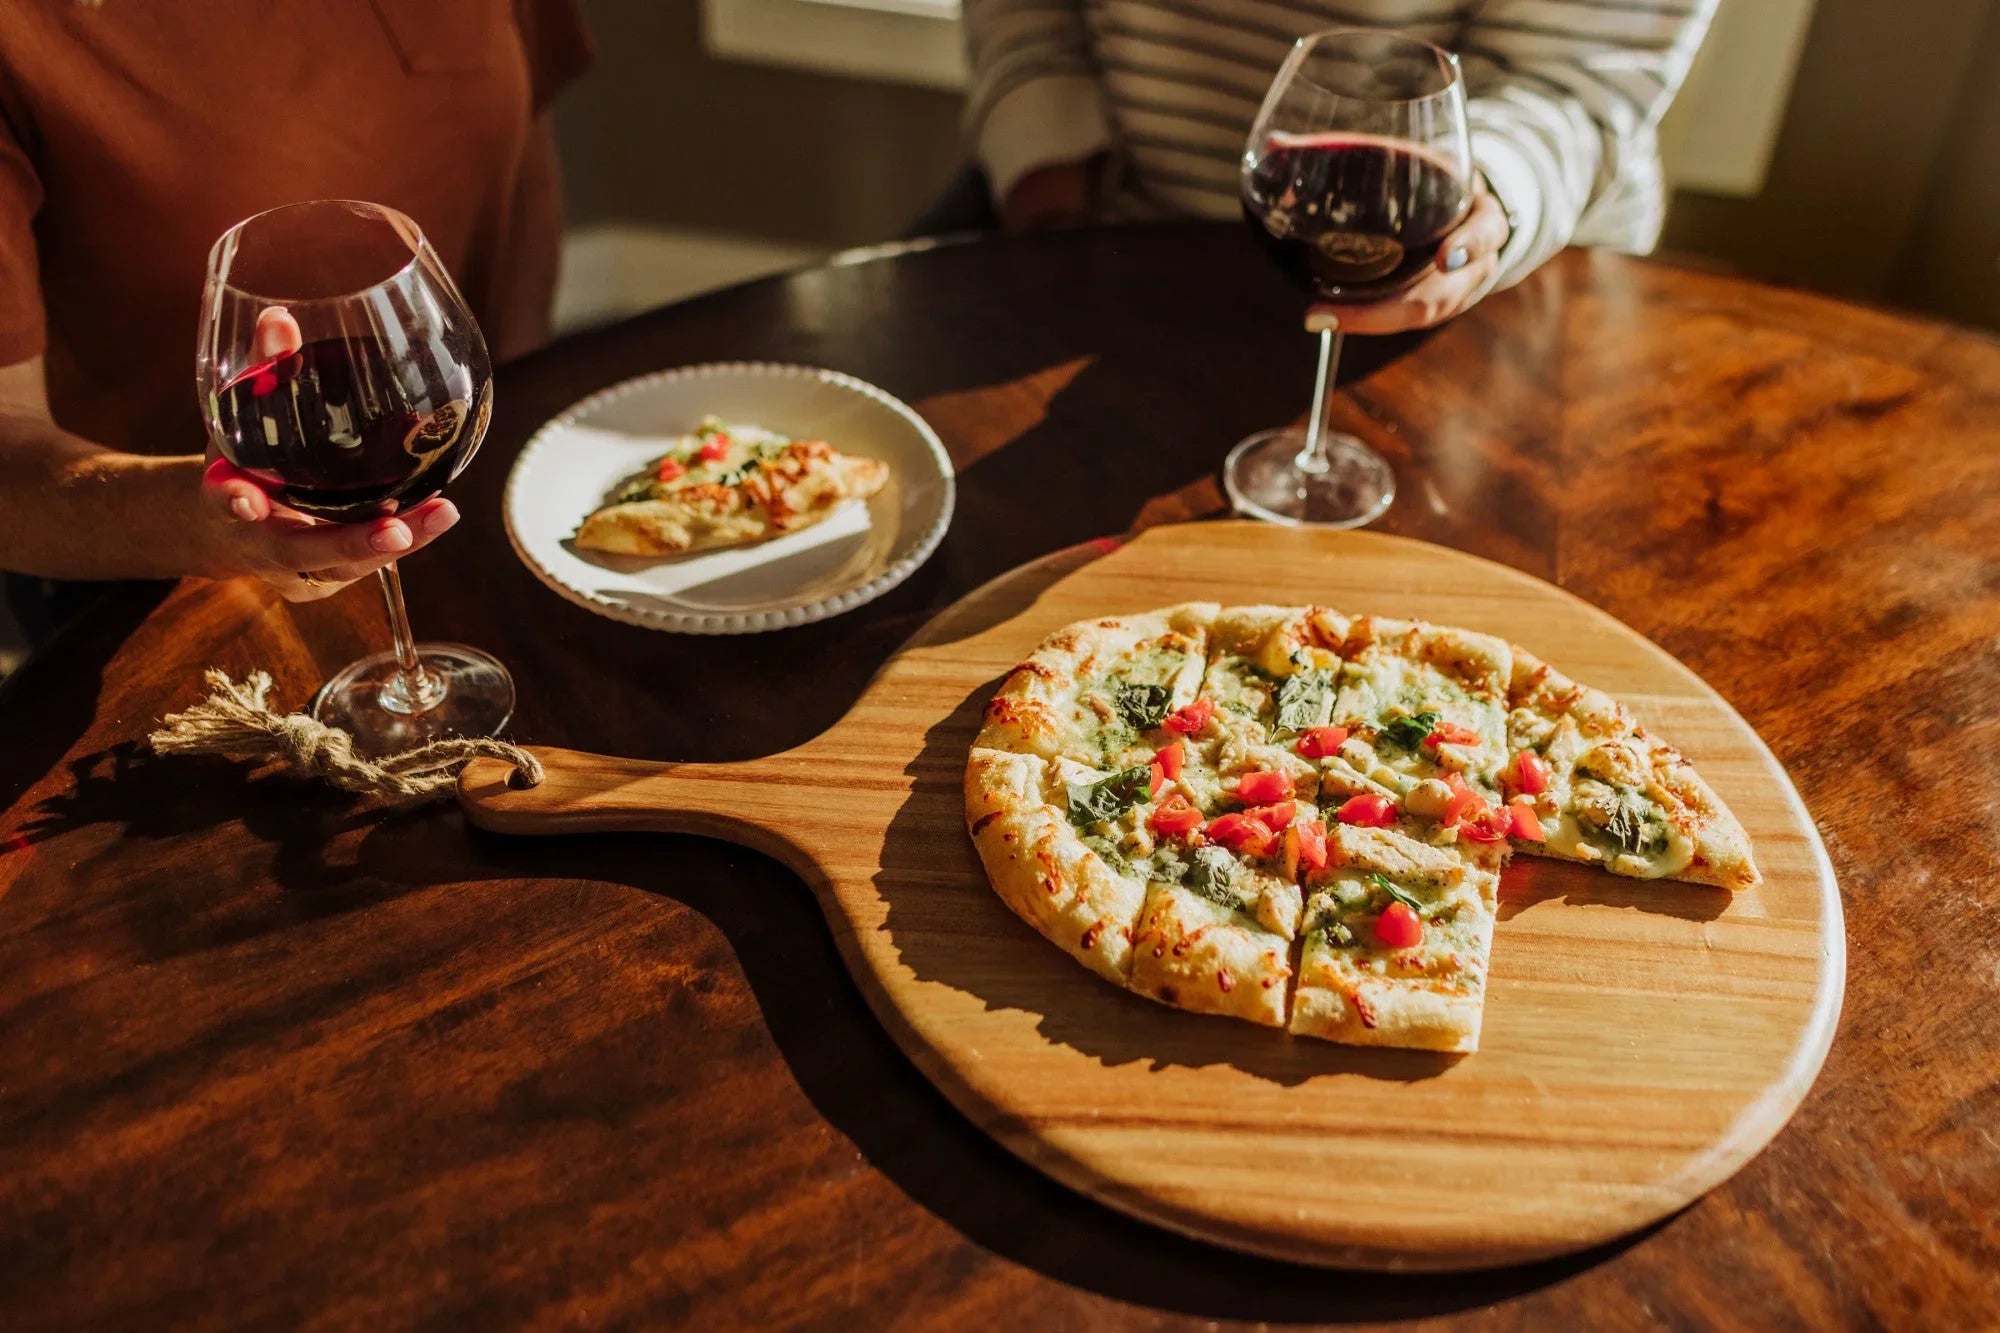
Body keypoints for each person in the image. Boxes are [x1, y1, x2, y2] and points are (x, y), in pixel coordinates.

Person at [0, 0, 592, 642]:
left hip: (477, 489)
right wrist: (211, 526)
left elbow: (522, 127)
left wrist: (517, 399)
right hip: (158, 580)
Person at [957, 0, 1717, 335]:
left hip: (1488, 284)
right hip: (1111, 214)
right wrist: (1046, 164)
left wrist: (1479, 215)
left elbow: (1566, 79)